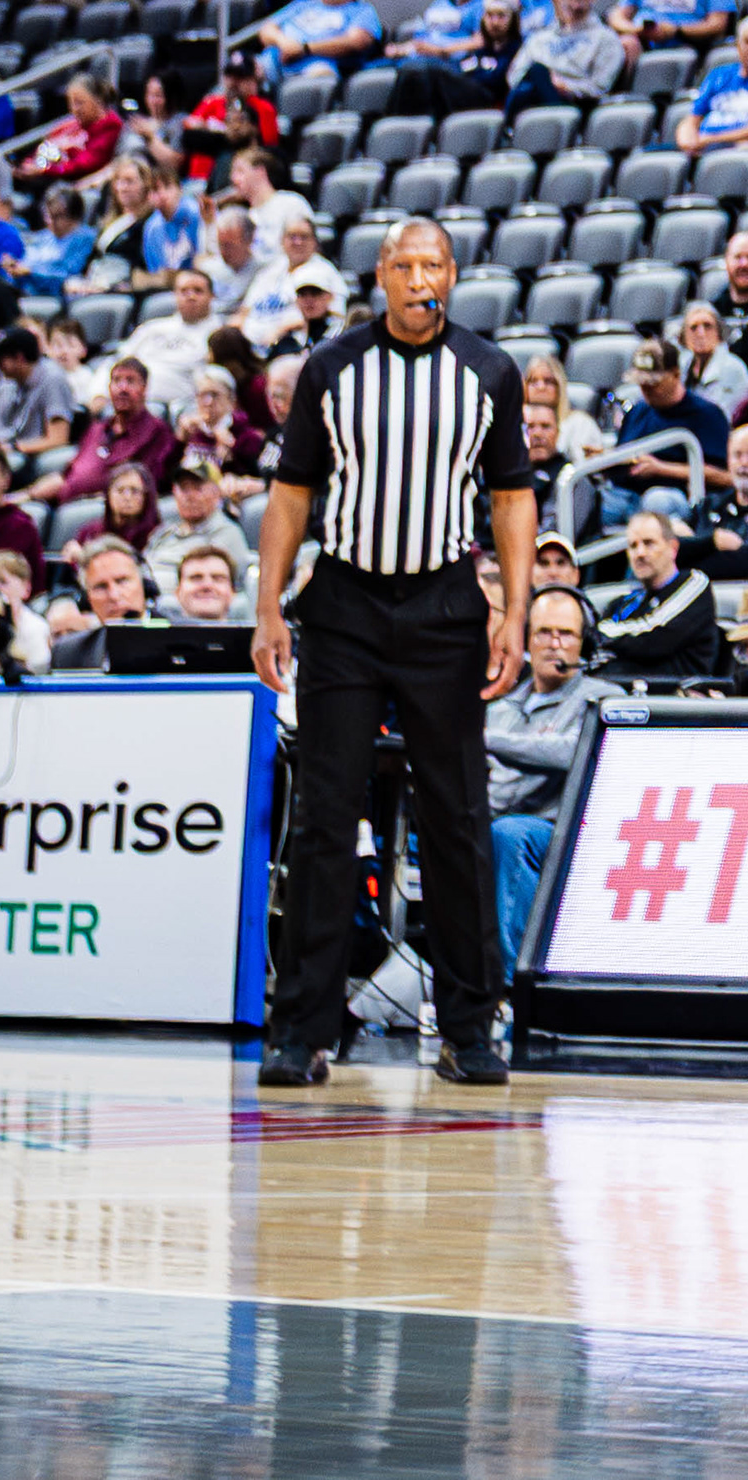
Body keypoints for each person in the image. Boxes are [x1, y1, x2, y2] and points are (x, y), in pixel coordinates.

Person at [250, 220, 535, 1091]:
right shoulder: (332, 368)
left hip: (446, 607)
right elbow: (291, 491)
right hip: (343, 606)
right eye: (404, 265)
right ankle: (301, 1031)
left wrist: (515, 613)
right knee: (324, 817)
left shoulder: (488, 371)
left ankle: (470, 1030)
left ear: (452, 273)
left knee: (458, 820)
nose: (419, 279)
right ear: (380, 275)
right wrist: (268, 606)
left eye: (432, 265)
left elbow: (512, 496)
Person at [482, 583, 607, 975]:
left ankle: (511, 985)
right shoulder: (502, 707)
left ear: (584, 644)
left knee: (508, 834)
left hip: (558, 833)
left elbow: (571, 752)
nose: (555, 644)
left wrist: (481, 738)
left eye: (566, 634)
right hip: (497, 821)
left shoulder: (601, 698)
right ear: (526, 641)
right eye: (543, 633)